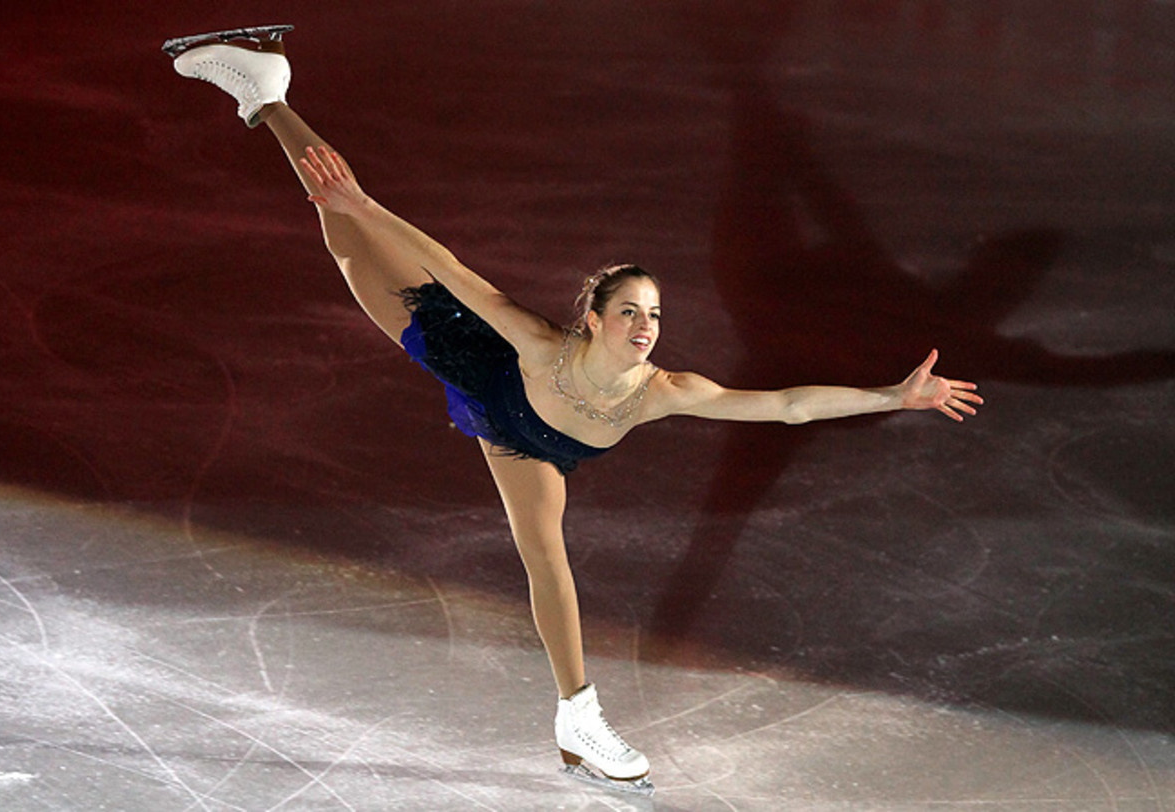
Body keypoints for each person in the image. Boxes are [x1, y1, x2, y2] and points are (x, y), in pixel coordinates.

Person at [163, 26, 983, 796]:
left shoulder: (664, 392)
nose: (646, 326)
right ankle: (267, 92)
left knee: (545, 558)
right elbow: (449, 270)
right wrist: (365, 206)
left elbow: (790, 408)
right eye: (630, 311)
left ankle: (577, 718)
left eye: (655, 314)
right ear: (593, 318)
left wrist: (893, 396)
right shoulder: (534, 342)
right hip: (467, 355)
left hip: (534, 448)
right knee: (341, 227)